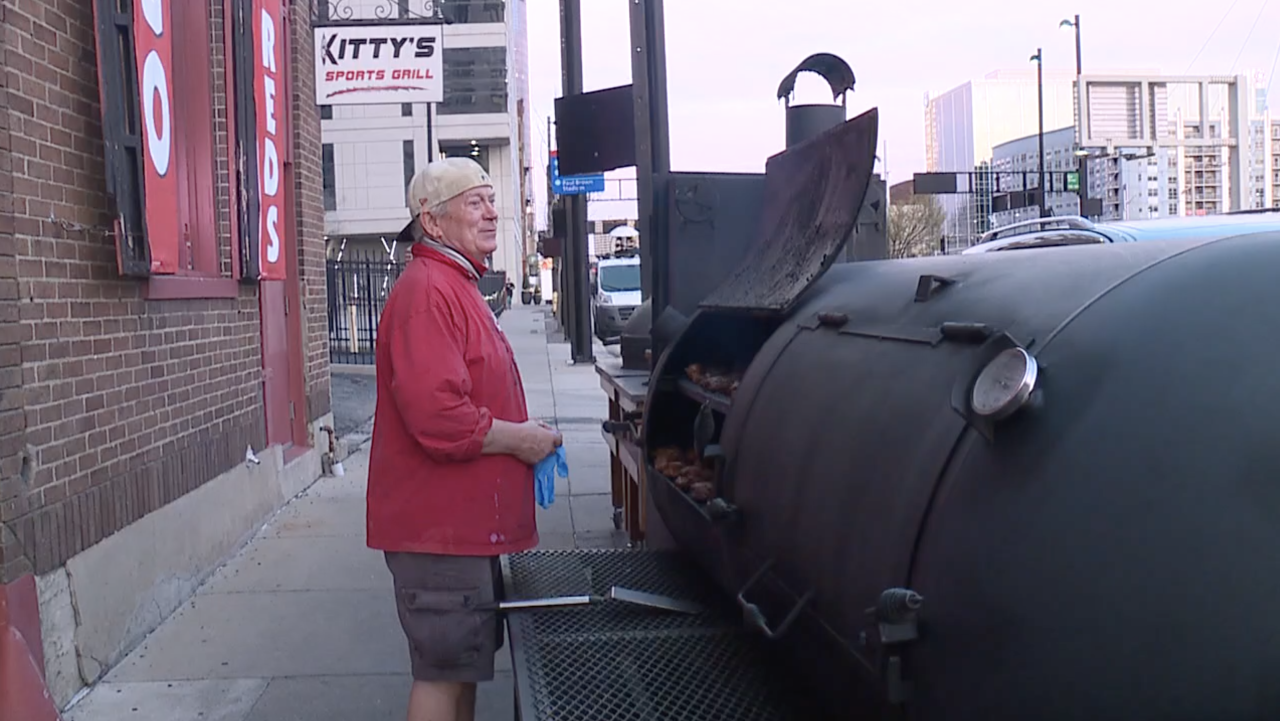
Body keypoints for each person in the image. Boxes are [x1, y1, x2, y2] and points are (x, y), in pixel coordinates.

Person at [367, 157, 562, 721]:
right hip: (438, 535)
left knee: (461, 672)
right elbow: (440, 418)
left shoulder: (454, 285)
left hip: (459, 534)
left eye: (491, 200)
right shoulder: (428, 292)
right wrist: (519, 441)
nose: (491, 212)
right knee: (442, 676)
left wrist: (523, 429)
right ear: (432, 221)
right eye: (474, 203)